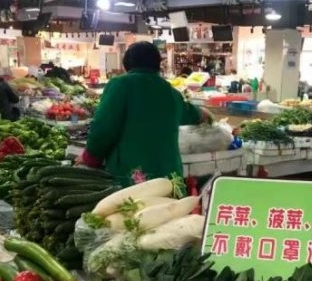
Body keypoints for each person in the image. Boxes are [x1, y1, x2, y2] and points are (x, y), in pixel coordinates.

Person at [81, 42, 213, 186]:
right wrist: (205, 115)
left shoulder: (120, 85)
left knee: (133, 201)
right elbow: (191, 113)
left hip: (131, 179)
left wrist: (90, 158)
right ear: (158, 64)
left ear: (126, 63)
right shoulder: (170, 92)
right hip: (169, 178)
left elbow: (103, 129)